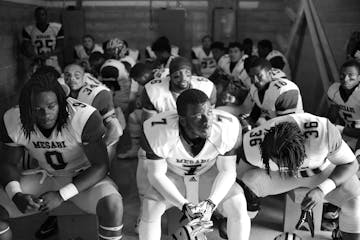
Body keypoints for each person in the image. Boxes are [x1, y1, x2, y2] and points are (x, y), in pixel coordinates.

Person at [0, 69, 123, 240]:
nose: (45, 114)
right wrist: (16, 195)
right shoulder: (14, 118)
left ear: (61, 100)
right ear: (26, 106)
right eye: (37, 109)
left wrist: (61, 195)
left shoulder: (82, 116)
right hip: (45, 176)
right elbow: (8, 163)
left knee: (113, 205)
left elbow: (101, 166)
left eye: (51, 106)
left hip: (82, 177)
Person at [139, 89, 250, 240]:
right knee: (150, 207)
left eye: (209, 112)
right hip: (174, 175)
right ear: (183, 120)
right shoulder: (159, 132)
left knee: (238, 204)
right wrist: (183, 205)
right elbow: (155, 175)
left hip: (209, 174)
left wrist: (211, 203)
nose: (207, 121)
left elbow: (228, 172)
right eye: (198, 116)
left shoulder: (226, 127)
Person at [239, 112, 360, 240]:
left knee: (355, 201)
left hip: (321, 171)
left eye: (289, 162)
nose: (287, 166)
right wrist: (243, 212)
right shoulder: (252, 145)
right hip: (281, 176)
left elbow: (351, 164)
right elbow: (239, 180)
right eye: (279, 162)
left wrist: (322, 189)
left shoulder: (324, 133)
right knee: (248, 182)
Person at [246, 57, 303, 126]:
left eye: (259, 76)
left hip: (296, 129)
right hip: (275, 125)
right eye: (252, 76)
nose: (255, 80)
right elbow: (258, 106)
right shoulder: (254, 88)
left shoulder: (284, 91)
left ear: (269, 73)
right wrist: (248, 122)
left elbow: (287, 126)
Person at [22, 7, 63, 74]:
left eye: (42, 14)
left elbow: (60, 47)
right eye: (38, 15)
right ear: (35, 17)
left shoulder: (56, 28)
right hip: (36, 61)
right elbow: (26, 47)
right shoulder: (29, 30)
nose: (40, 17)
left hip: (52, 60)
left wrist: (48, 54)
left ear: (46, 15)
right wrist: (35, 56)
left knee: (57, 80)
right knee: (34, 80)